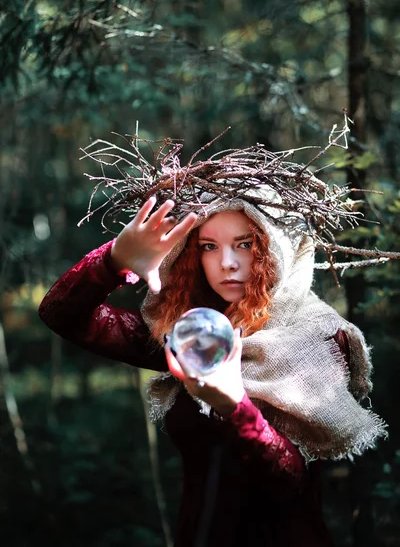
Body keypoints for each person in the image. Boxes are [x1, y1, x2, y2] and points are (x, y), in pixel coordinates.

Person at [39, 161, 387, 547]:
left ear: (277, 247)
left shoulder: (316, 336)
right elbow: (62, 316)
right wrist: (114, 261)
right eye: (209, 246)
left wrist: (232, 404)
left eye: (246, 244)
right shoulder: (195, 335)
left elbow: (292, 482)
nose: (227, 263)